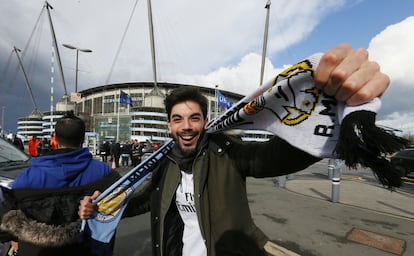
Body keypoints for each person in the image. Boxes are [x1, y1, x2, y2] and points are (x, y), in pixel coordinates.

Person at [79, 44, 391, 256]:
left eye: (194, 118)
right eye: (177, 119)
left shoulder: (227, 152)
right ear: (169, 126)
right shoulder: (165, 161)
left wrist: (326, 115)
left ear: (204, 121)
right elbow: (144, 201)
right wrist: (100, 207)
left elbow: (274, 157)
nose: (185, 126)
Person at [0, 111, 120, 256]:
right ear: (83, 140)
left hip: (38, 251)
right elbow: (128, 203)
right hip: (89, 249)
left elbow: (6, 226)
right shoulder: (104, 173)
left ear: (54, 140)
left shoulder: (26, 178)